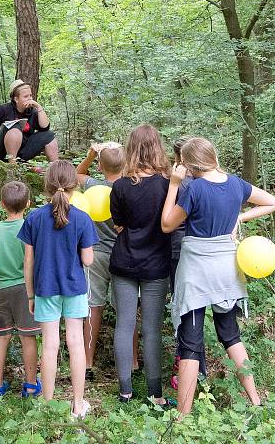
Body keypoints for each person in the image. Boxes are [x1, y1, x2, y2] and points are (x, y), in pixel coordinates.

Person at [162, 137, 275, 415]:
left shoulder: (195, 189)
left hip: (196, 272)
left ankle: (183, 416)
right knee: (231, 335)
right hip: (226, 270)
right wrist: (241, 218)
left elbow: (167, 225)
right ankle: (255, 400)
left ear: (189, 165)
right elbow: (273, 202)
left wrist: (173, 185)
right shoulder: (236, 184)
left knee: (191, 342)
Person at [20, 160, 97, 419]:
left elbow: (28, 262)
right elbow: (88, 260)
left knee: (50, 346)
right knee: (75, 343)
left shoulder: (34, 218)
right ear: (75, 186)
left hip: (44, 288)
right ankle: (77, 404)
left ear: (47, 185)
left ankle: (48, 405)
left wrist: (30, 294)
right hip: (74, 288)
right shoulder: (83, 219)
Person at [110, 124, 173, 407]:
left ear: (131, 149)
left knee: (124, 325)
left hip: (124, 261)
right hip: (156, 265)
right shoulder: (168, 185)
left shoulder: (120, 186)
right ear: (157, 147)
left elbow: (119, 224)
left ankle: (125, 391)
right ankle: (154, 393)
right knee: (151, 329)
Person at [0, 180, 41, 399]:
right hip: (25, 291)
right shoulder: (31, 227)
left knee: (1, 338)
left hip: (1, 290)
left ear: (1, 204)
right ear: (28, 203)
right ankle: (30, 385)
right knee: (28, 338)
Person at [76, 142, 126, 381]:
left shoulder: (93, 185)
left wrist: (91, 154)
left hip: (94, 255)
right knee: (124, 311)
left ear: (100, 166)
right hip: (123, 254)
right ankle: (132, 363)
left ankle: (87, 362)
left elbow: (77, 175)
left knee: (93, 307)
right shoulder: (129, 188)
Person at [168, 136, 206, 390]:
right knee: (196, 310)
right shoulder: (205, 182)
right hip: (199, 251)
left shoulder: (182, 185)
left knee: (184, 310)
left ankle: (189, 364)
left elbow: (167, 220)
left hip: (178, 248)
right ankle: (195, 365)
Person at [0, 79, 59, 163]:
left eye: (30, 95)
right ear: (16, 99)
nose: (30, 99)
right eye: (26, 96)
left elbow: (45, 128)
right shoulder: (4, 109)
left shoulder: (32, 112)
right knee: (15, 128)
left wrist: (39, 107)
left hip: (22, 152)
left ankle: (57, 169)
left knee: (49, 135)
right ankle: (12, 166)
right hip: (0, 151)